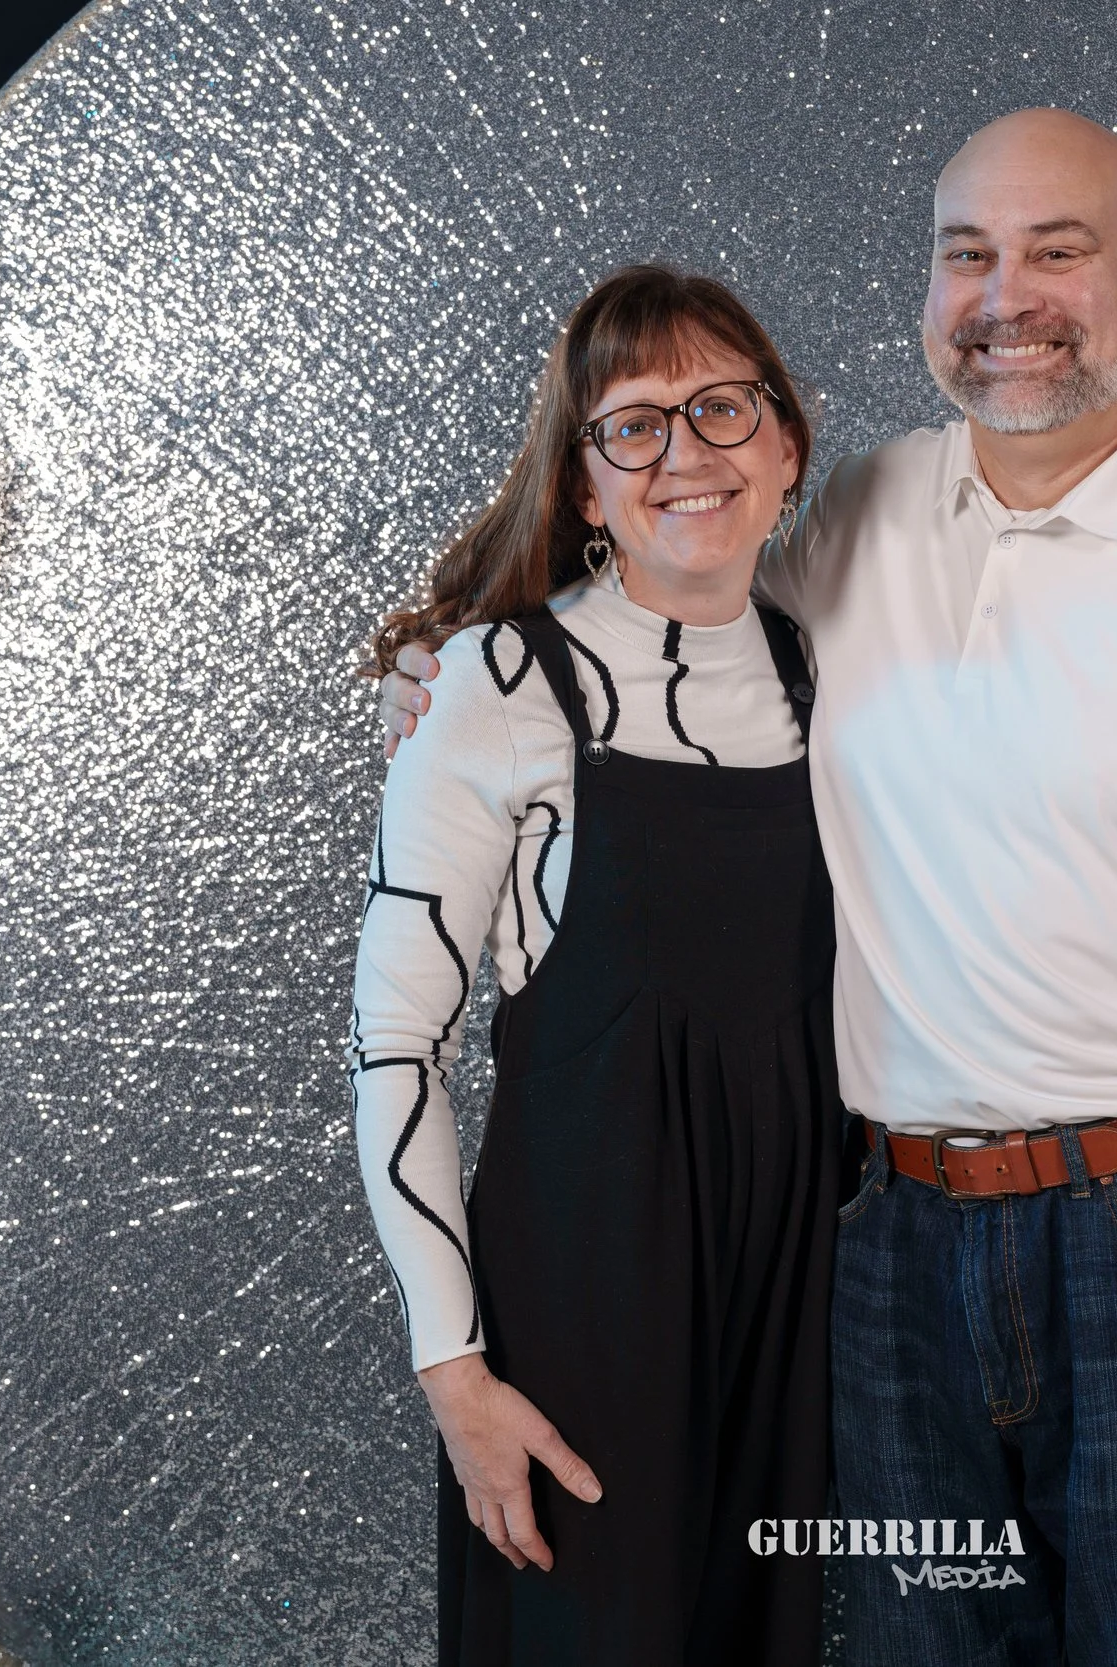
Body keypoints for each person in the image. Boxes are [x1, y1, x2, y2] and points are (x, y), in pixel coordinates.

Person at [381, 109, 1117, 1667]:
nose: (1005, 295)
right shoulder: (861, 521)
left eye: (1057, 251)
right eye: (969, 255)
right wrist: (461, 672)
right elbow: (656, 600)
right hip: (893, 1251)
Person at [345, 264, 839, 1667]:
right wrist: (456, 1371)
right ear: (579, 484)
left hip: (801, 1314)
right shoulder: (493, 684)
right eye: (634, 426)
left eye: (723, 409)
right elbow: (396, 1047)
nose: (686, 453)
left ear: (788, 444)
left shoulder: (838, 671)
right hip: (584, 1316)